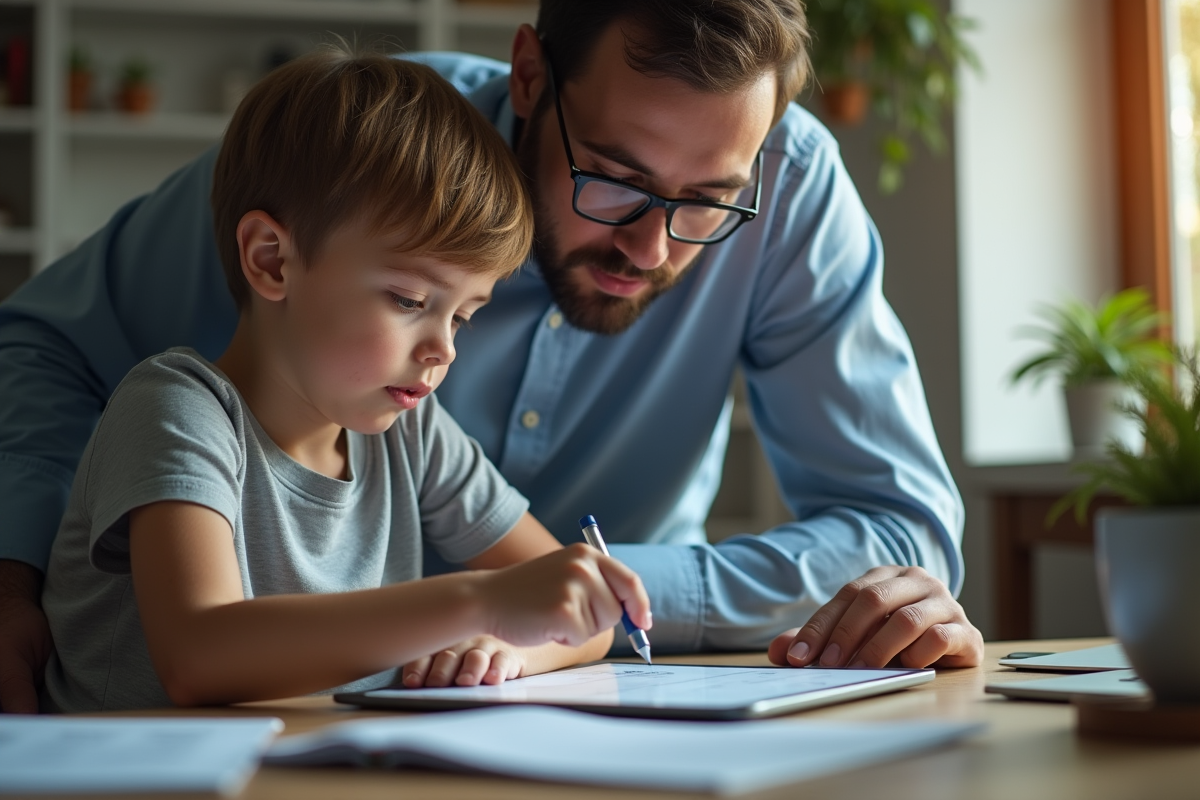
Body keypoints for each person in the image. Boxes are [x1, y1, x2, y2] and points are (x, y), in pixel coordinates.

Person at [0, 0, 982, 714]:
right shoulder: (350, 161)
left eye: (709, 201)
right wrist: (11, 566)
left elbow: (898, 527)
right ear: (528, 76)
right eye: (615, 176)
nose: (651, 246)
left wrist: (550, 614)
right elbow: (42, 341)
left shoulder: (791, 190)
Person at [39, 48, 651, 712]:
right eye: (411, 301)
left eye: (464, 318)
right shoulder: (177, 411)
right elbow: (198, 656)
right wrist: (483, 601)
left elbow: (583, 620)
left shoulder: (412, 432)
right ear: (272, 260)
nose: (441, 350)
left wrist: (511, 647)